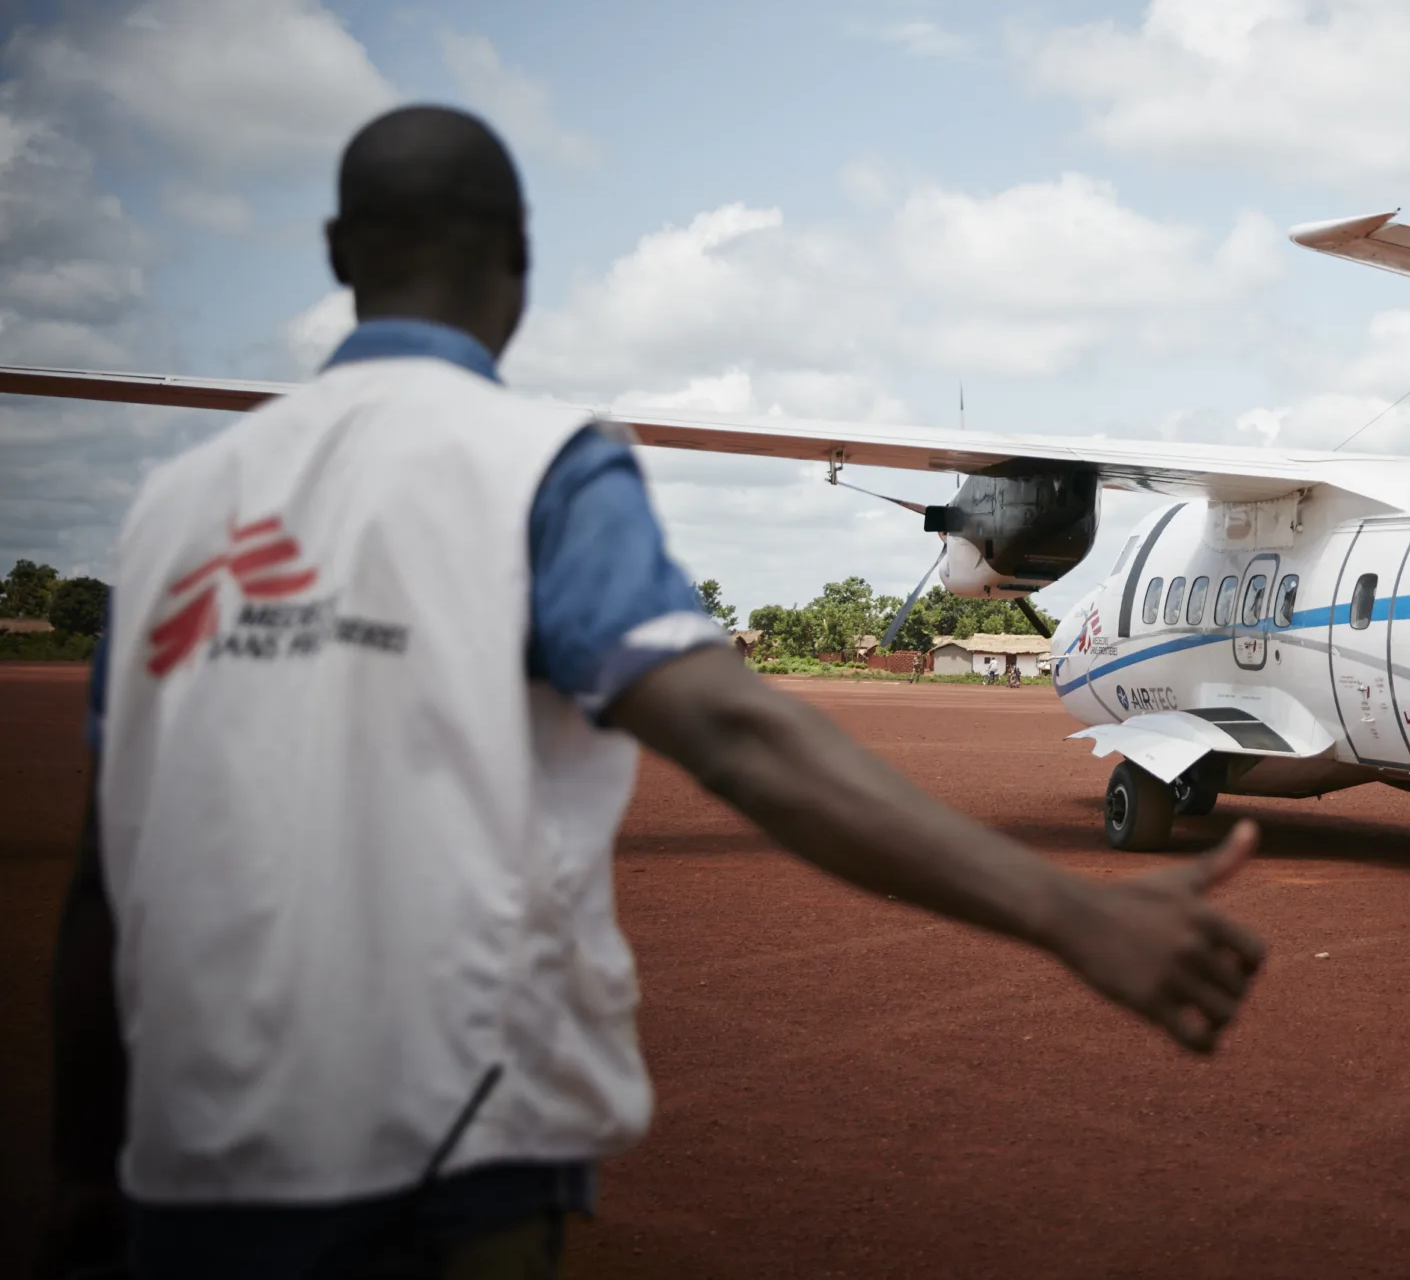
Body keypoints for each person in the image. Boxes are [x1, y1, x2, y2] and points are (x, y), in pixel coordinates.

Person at [45, 107, 1264, 1280]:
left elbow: (113, 869)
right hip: (453, 1148)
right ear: (520, 259)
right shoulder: (541, 469)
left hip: (191, 1156)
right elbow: (734, 731)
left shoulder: (175, 510)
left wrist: (86, 1171)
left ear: (334, 253)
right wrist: (1069, 911)